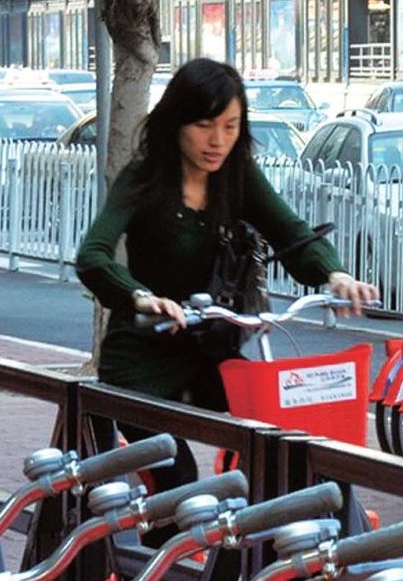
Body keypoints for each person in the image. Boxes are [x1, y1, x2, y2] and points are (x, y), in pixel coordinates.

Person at [76, 59, 378, 489]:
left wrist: (335, 275)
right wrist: (139, 296)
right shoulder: (143, 179)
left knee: (270, 442)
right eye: (203, 125)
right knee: (177, 473)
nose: (218, 141)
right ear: (177, 122)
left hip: (209, 351)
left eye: (231, 126)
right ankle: (160, 553)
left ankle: (245, 547)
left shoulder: (237, 177)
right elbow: (93, 255)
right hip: (141, 360)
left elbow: (291, 233)